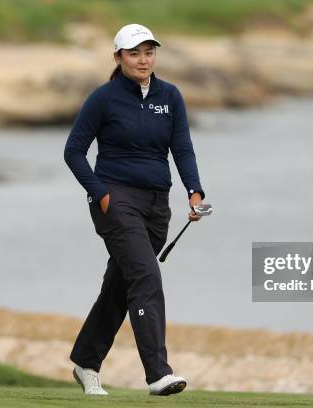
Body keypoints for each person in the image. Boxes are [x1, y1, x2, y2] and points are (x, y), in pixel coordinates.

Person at [63, 23, 206, 396]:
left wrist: (194, 191)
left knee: (122, 285)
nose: (143, 60)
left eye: (149, 52)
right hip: (116, 200)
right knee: (146, 277)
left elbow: (183, 148)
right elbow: (73, 151)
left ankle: (86, 360)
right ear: (118, 57)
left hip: (157, 204)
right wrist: (101, 193)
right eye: (134, 53)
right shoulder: (103, 99)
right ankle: (158, 373)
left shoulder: (170, 96)